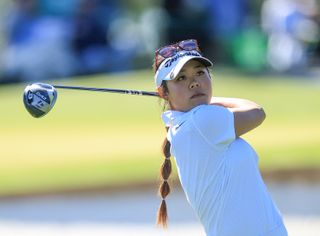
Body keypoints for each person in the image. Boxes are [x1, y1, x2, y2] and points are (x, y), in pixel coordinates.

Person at [153, 39, 288, 235]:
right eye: (181, 78)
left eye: (200, 73)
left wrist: (199, 100)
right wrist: (209, 100)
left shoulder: (183, 124)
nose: (194, 83)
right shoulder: (202, 120)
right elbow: (257, 112)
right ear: (163, 92)